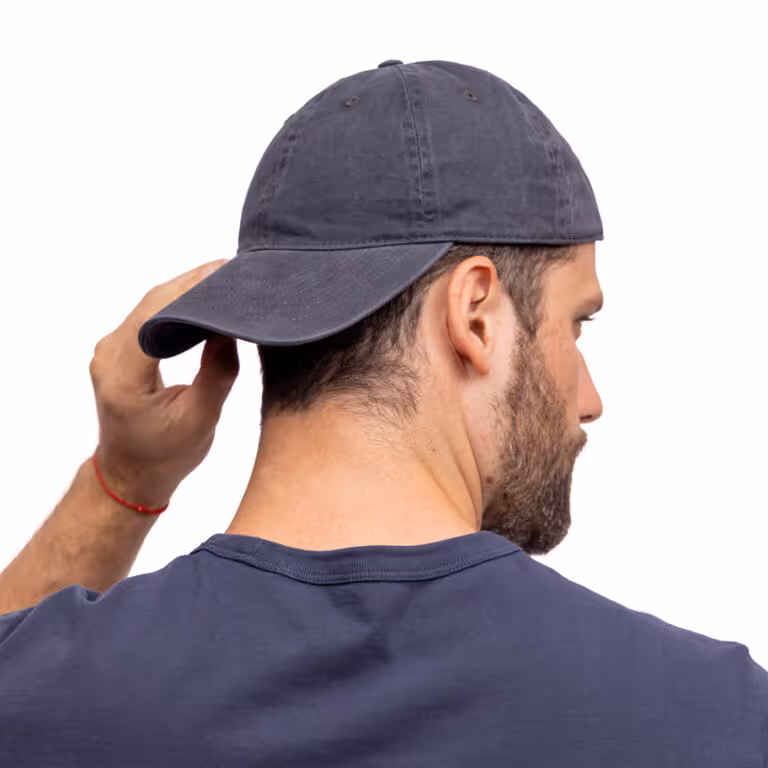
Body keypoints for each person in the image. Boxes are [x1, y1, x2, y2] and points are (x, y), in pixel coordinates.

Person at [0, 59, 765, 766]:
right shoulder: (719, 717)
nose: (590, 400)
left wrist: (123, 479)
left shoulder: (40, 690)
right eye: (577, 325)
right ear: (475, 314)